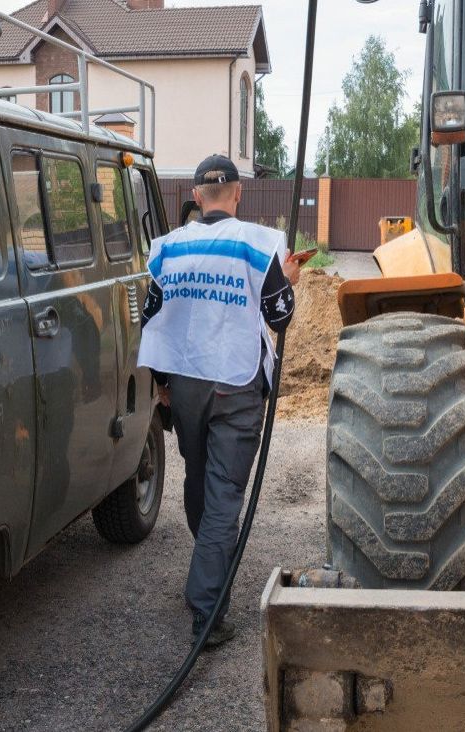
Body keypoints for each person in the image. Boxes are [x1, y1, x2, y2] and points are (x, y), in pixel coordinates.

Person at [139, 154, 300, 648]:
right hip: (236, 383)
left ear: (195, 197)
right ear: (237, 195)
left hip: (185, 385)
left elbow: (152, 316)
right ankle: (206, 612)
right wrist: (289, 282)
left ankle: (209, 558)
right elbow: (279, 315)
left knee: (200, 478)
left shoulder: (169, 249)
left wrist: (161, 383)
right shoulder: (258, 244)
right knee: (224, 497)